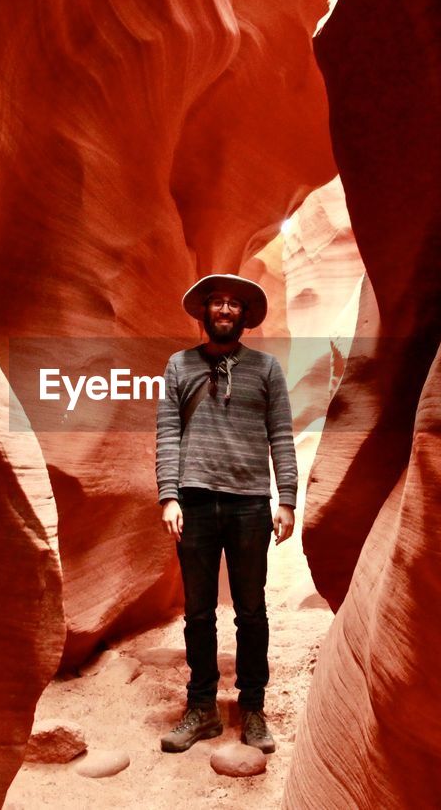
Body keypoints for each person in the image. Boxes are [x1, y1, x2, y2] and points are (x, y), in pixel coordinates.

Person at [155, 273, 297, 754]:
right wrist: (168, 495)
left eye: (235, 304)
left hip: (248, 502)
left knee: (251, 612)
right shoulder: (179, 366)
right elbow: (167, 434)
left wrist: (288, 499)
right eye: (217, 302)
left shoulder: (267, 369)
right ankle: (202, 708)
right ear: (204, 312)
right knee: (198, 613)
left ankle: (253, 708)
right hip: (194, 500)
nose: (225, 310)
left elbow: (281, 434)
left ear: (244, 316)